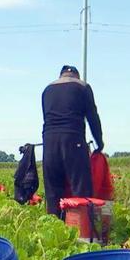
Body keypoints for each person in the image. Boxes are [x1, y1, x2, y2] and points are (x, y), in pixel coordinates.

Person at [41, 65, 104, 217]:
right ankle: (82, 230)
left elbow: (46, 117)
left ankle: (55, 226)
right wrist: (99, 142)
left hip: (49, 141)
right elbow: (92, 117)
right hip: (73, 139)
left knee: (53, 190)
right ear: (77, 75)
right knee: (80, 188)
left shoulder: (47, 89)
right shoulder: (82, 87)